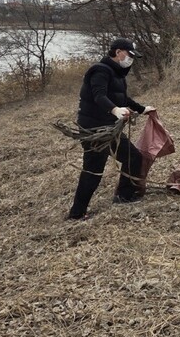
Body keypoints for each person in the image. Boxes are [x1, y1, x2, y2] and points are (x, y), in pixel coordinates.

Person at [67, 37, 156, 220]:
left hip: (109, 128)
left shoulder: (117, 75)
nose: (131, 59)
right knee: (93, 170)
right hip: (95, 129)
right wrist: (115, 110)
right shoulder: (100, 71)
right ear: (118, 52)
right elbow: (99, 96)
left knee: (133, 157)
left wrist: (142, 109)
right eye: (129, 55)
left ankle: (123, 196)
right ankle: (77, 213)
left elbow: (123, 98)